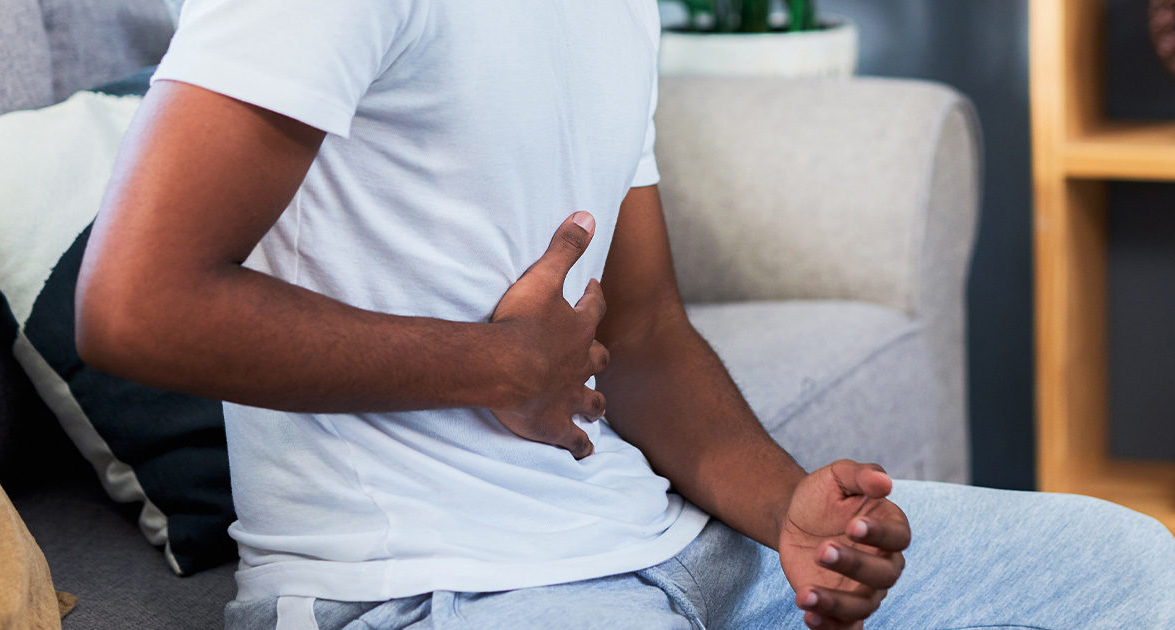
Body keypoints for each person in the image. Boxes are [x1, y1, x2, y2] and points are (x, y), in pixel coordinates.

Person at [73, 1, 1175, 628]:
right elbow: (135, 305)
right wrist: (493, 365)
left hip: (667, 549)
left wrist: (784, 508)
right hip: (428, 592)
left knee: (1125, 570)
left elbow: (641, 333)